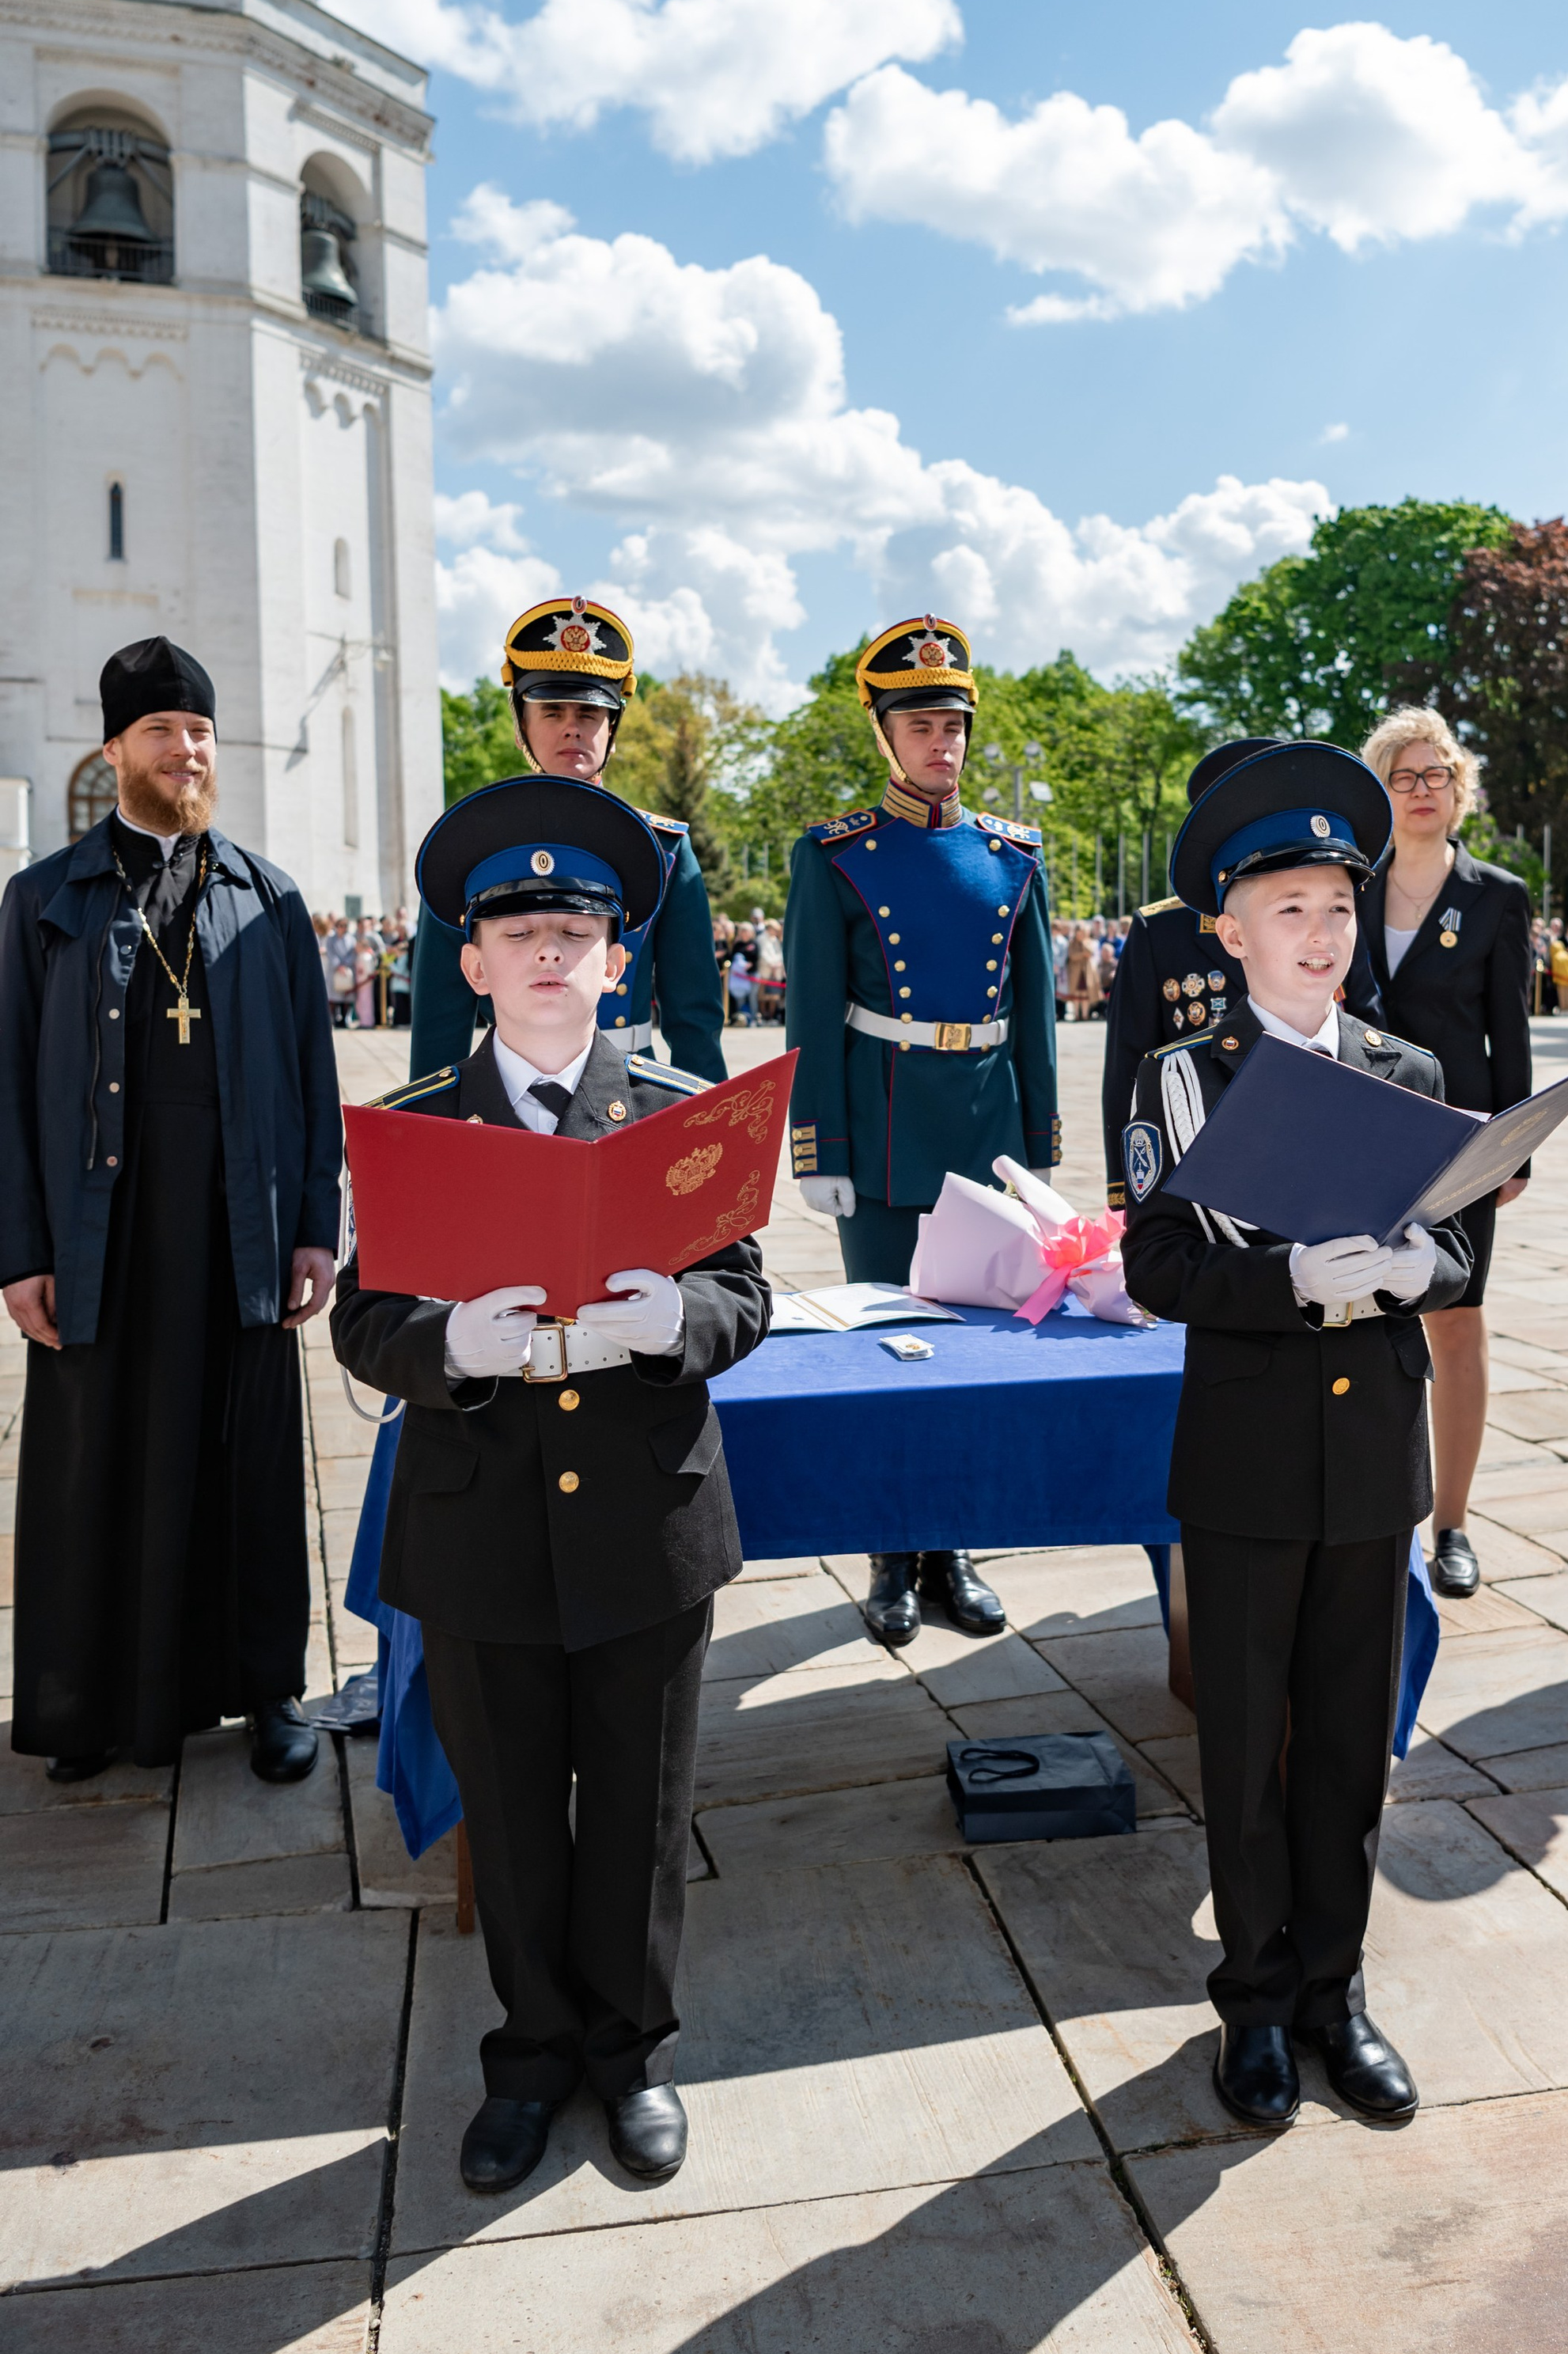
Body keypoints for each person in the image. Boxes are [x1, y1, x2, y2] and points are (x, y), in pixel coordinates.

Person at [331, 775, 770, 2197]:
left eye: (572, 926)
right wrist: (447, 1340)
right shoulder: (412, 1125)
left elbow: (747, 1294)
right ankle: (528, 2055)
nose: (544, 950)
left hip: (646, 1512)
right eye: (515, 926)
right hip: (480, 1521)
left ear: (615, 955)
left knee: (640, 1805)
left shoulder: (678, 1115)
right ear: (468, 960)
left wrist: (679, 1323)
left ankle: (632, 2050)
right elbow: (359, 1320)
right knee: (512, 1810)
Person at [1120, 741, 1472, 2135]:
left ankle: (1338, 1990)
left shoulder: (1405, 1062)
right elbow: (1158, 1266)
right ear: (1230, 928)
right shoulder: (1178, 1077)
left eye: (1338, 907)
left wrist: (1410, 1274)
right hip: (1250, 1453)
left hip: (1376, 1448)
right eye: (1289, 912)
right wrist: (1286, 1282)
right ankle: (1257, 2001)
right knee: (1250, 1738)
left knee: (1347, 1737)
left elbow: (1458, 1237)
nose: (1320, 937)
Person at [0, 637, 341, 1786]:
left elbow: (311, 1078)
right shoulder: (43, 900)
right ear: (116, 751)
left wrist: (314, 1227)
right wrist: (18, 1252)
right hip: (102, 1234)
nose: (187, 752)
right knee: (96, 1464)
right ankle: (90, 1705)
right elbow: (4, 1088)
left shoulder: (270, 896)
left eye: (198, 733)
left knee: (246, 1461)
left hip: (238, 1226)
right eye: (162, 734)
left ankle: (267, 1691)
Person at [783, 612, 1059, 1646]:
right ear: (884, 734)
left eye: (953, 725)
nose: (940, 744)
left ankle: (954, 1546)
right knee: (888, 1351)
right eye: (921, 726)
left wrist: (1037, 1148)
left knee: (971, 1354)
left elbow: (1031, 1012)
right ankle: (892, 1557)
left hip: (980, 1129)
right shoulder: (837, 856)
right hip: (885, 1132)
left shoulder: (1012, 856)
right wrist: (820, 1148)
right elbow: (809, 1012)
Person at [407, 598, 725, 1091]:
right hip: (503, 1100)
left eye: (591, 713)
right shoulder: (468, 846)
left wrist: (713, 1131)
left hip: (631, 1097)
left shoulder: (664, 851)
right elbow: (438, 1026)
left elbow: (695, 1021)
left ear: (613, 730)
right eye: (551, 710)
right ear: (521, 725)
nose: (572, 726)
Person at [1361, 706, 1533, 1600]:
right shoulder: (1345, 886)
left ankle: (1453, 1522)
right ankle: (1367, 1513)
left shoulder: (1497, 895)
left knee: (1454, 1321)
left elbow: (1511, 1032)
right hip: (1359, 1134)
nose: (1423, 789)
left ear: (1460, 788)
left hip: (1462, 1139)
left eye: (1438, 774)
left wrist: (1516, 1150)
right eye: (1404, 775)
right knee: (1354, 1317)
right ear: (1380, 792)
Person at [1100, 737, 1387, 1211]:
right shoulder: (1161, 929)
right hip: (1200, 1145)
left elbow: (1366, 1020)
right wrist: (1123, 1187)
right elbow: (1129, 1059)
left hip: (1322, 1136)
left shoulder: (1334, 918)